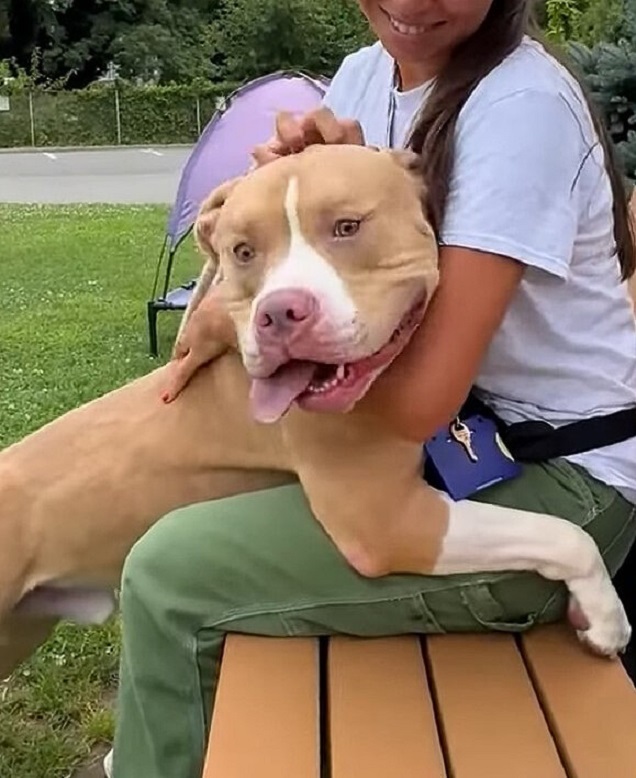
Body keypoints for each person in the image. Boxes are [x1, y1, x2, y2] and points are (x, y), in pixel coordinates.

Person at [106, 1, 636, 776]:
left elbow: (418, 401)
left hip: (561, 475)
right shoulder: (363, 75)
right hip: (458, 443)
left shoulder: (520, 106)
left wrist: (266, 338)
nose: (412, 1)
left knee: (167, 577)